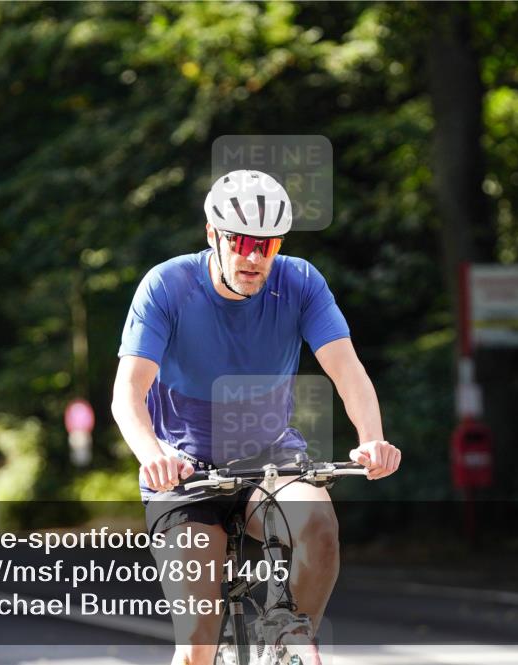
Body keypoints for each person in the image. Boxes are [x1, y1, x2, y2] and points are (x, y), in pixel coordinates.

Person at [112, 169, 400, 665]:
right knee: (197, 643)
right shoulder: (166, 285)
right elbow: (127, 393)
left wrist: (372, 438)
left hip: (270, 459)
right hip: (185, 471)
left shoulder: (301, 282)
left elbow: (348, 371)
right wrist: (152, 455)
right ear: (212, 235)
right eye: (240, 241)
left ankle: (286, 641)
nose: (252, 256)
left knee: (320, 529)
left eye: (266, 245)